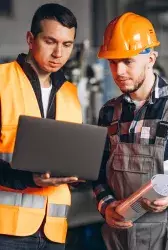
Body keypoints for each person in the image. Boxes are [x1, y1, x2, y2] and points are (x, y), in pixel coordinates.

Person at [93, 12, 168, 250]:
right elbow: (99, 175)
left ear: (151, 58)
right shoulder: (109, 113)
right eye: (112, 61)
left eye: (127, 61)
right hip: (120, 236)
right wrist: (106, 206)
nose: (118, 71)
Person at [0, 3, 82, 250]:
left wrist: (79, 174)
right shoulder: (2, 81)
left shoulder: (71, 94)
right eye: (50, 41)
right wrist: (26, 178)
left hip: (53, 231)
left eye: (67, 45)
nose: (59, 53)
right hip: (6, 230)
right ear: (30, 39)